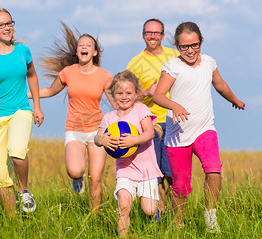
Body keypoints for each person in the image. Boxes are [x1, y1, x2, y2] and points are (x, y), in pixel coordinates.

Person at [153, 22, 245, 232]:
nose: (190, 50)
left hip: (204, 129)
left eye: (194, 45)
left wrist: (235, 100)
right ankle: (178, 225)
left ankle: (210, 217)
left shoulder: (209, 63)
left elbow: (219, 84)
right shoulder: (172, 67)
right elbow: (158, 95)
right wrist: (174, 105)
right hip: (178, 135)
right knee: (181, 187)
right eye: (184, 47)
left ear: (201, 43)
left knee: (214, 170)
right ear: (177, 46)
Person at [28, 22, 113, 210]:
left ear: (95, 52)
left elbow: (116, 103)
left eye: (88, 45)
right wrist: (24, 94)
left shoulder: (104, 76)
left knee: (96, 179)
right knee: (75, 171)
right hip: (74, 129)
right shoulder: (68, 72)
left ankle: (94, 217)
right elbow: (50, 90)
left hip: (97, 132)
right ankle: (77, 179)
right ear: (77, 51)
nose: (83, 47)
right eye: (80, 45)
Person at [0, 8, 44, 218]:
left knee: (17, 150)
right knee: (1, 175)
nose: (7, 28)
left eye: (9, 23)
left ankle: (24, 191)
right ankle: (11, 222)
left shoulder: (23, 51)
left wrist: (37, 106)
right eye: (1, 25)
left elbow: (32, 76)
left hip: (21, 110)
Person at [95, 70, 162, 236]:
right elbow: (97, 137)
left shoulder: (141, 109)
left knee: (150, 210)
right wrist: (101, 141)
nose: (124, 97)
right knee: (123, 207)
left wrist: (134, 140)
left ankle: (156, 212)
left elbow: (149, 133)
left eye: (128, 93)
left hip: (146, 169)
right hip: (125, 169)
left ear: (136, 93)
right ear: (112, 95)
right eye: (119, 93)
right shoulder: (109, 117)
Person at [126, 18, 179, 216]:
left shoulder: (174, 56)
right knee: (155, 174)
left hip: (174, 122)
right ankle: (159, 216)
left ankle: (176, 217)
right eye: (149, 33)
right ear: (143, 35)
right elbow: (126, 93)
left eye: (156, 33)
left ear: (163, 36)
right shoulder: (135, 62)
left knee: (172, 173)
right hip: (151, 125)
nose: (152, 36)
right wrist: (147, 92)